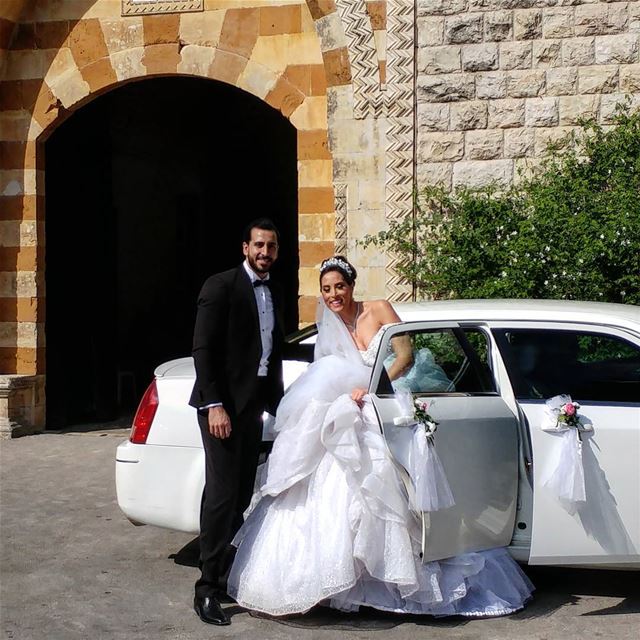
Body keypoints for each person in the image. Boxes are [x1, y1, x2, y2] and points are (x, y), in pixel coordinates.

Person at [227, 255, 534, 617]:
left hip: (384, 399)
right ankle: (335, 580)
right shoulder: (327, 325)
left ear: (352, 285)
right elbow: (325, 373)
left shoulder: (379, 309)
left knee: (391, 489)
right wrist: (348, 395)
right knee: (333, 489)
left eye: (339, 286)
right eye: (326, 289)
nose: (333, 295)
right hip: (350, 410)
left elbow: (405, 354)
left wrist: (370, 387)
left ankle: (395, 577)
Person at [189, 218, 284, 626]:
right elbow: (203, 349)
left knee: (243, 495)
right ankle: (206, 590)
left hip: (252, 409)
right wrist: (214, 405)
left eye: (272, 247)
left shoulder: (270, 292)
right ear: (245, 247)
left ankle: (224, 571)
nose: (265, 252)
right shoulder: (221, 285)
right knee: (223, 496)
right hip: (221, 410)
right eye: (259, 245)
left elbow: (270, 354)